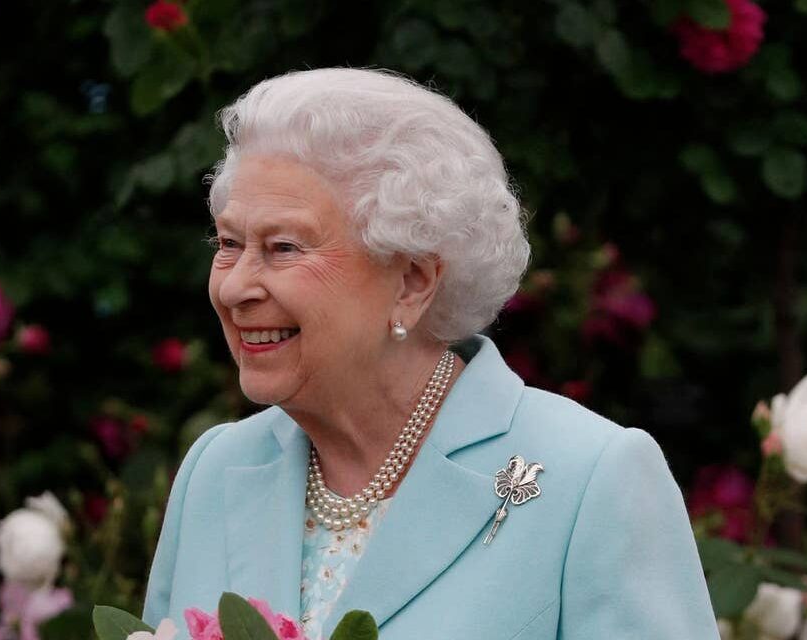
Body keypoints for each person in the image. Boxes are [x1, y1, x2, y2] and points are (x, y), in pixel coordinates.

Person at [143, 68, 717, 639]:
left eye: (283, 247)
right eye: (229, 243)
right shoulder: (216, 469)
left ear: (412, 282)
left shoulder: (591, 477)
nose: (235, 286)